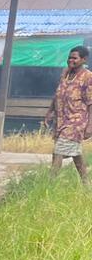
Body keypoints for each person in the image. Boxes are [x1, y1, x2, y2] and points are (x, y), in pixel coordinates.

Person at [44, 46, 92, 185]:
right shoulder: (65, 73)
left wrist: (90, 126)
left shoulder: (88, 77)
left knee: (59, 150)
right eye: (69, 57)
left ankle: (49, 185)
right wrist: (49, 112)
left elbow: (91, 102)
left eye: (75, 58)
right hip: (61, 119)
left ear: (83, 60)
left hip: (76, 120)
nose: (71, 60)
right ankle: (86, 184)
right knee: (75, 153)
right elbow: (58, 94)